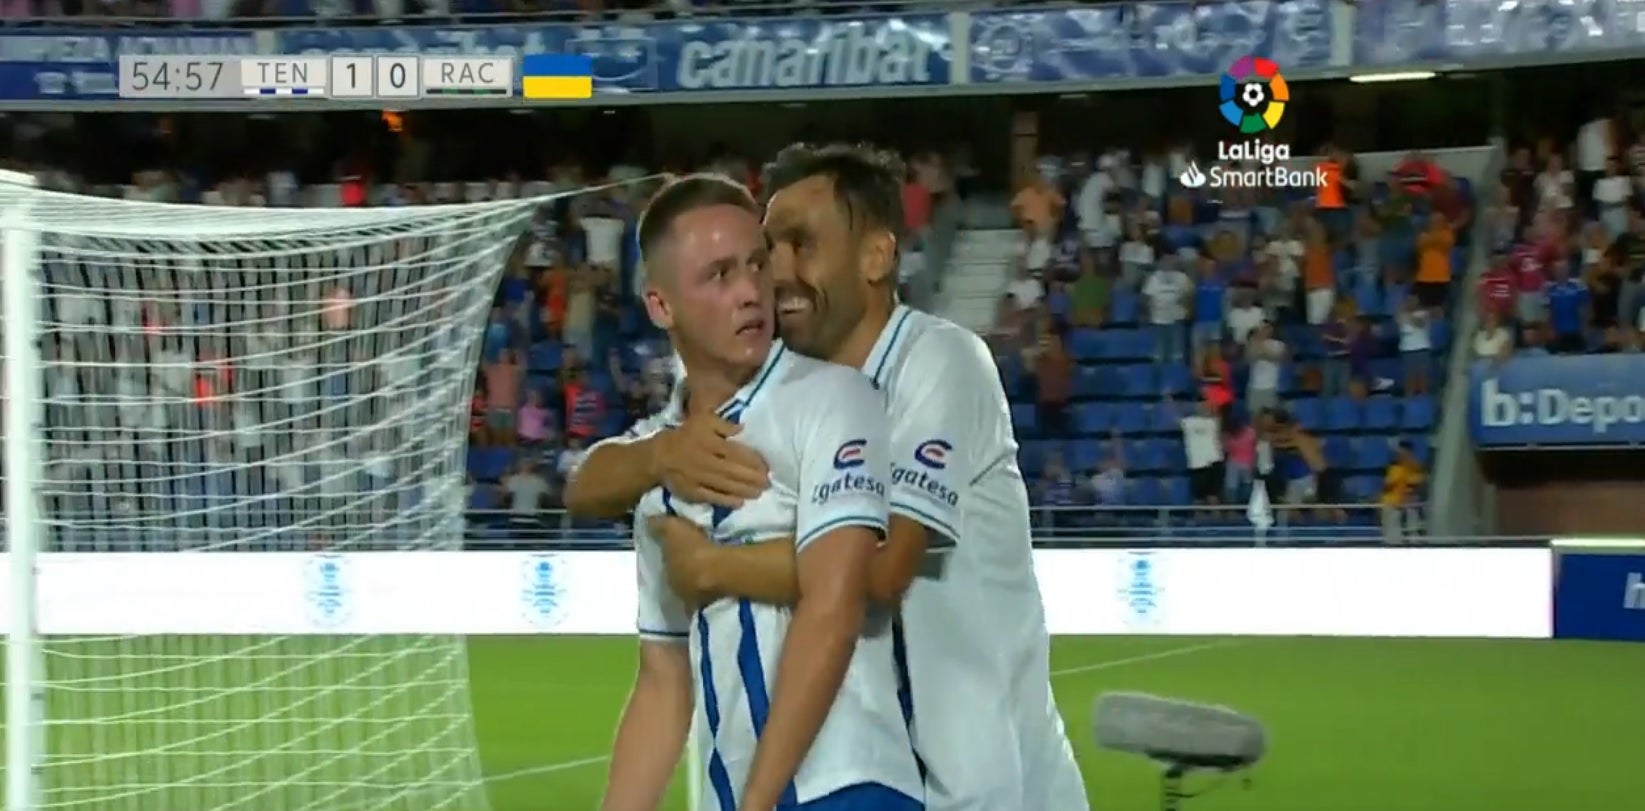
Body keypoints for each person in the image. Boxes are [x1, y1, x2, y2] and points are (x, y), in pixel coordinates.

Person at [566, 146, 1087, 811]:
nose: (776, 273)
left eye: (801, 245)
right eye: (769, 250)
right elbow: (590, 481)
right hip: (908, 780)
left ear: (876, 257)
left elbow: (880, 568)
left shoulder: (938, 359)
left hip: (1000, 785)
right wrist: (659, 458)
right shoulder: (776, 398)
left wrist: (714, 566)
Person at [588, 174, 922, 811]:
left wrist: (756, 802)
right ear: (661, 306)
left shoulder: (833, 398)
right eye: (718, 275)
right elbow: (664, 681)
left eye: (756, 265)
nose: (750, 292)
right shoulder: (660, 466)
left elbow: (834, 609)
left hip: (849, 788)